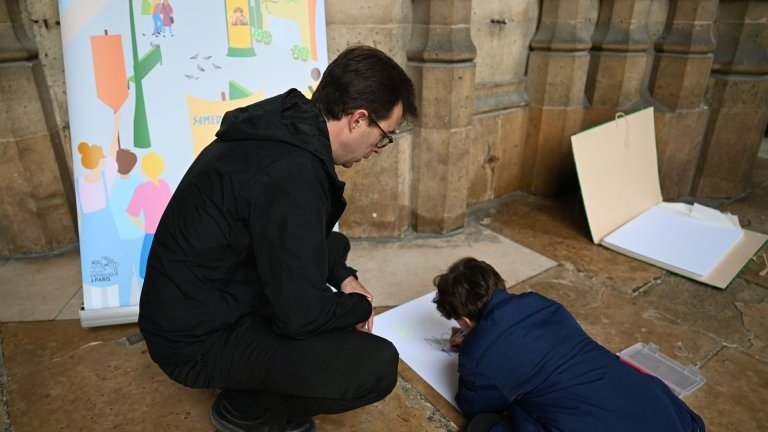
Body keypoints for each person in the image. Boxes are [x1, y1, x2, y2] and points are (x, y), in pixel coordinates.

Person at [138, 45, 418, 432]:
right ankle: (247, 406)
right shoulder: (292, 173)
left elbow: (301, 241)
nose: (378, 150)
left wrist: (343, 276)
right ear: (358, 119)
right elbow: (299, 316)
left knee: (333, 302)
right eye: (384, 136)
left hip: (201, 307)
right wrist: (357, 307)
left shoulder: (286, 131)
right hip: (194, 343)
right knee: (374, 365)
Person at [432, 257, 706, 432]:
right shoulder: (543, 304)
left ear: (465, 320)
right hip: (669, 418)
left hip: (588, 422)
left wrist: (472, 349)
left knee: (482, 425)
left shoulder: (478, 353)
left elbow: (473, 404)